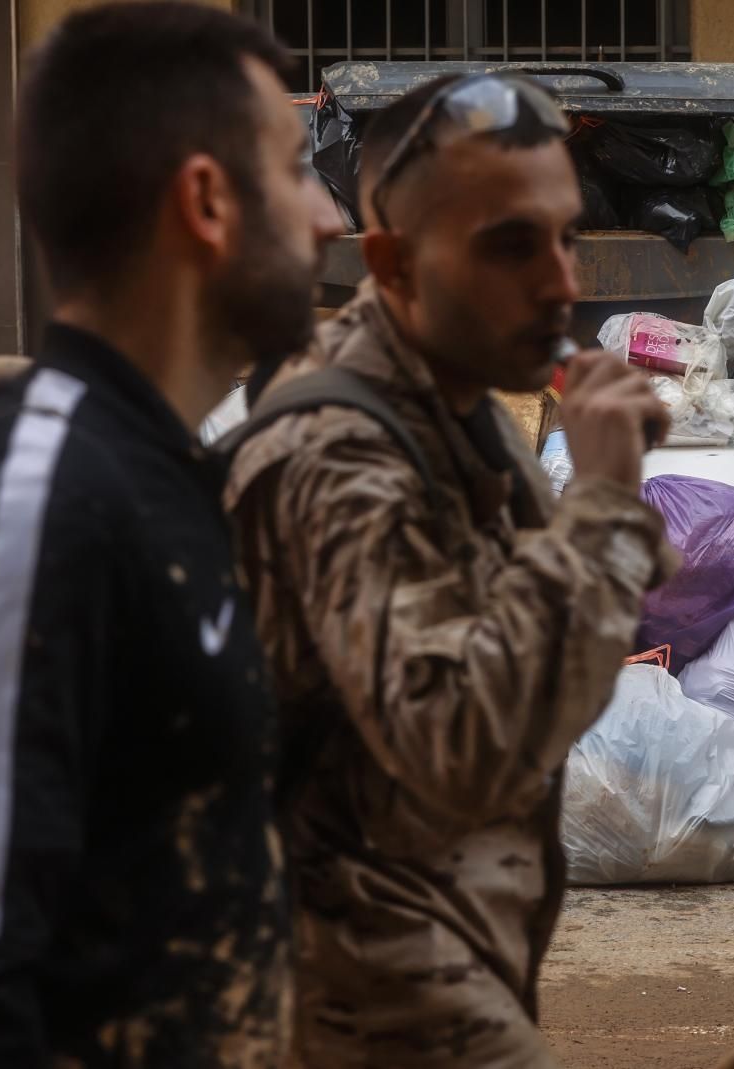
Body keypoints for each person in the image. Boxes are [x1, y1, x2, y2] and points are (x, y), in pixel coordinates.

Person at [0, 4, 342, 1066]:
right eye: (299, 171)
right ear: (206, 201)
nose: (331, 218)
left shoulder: (170, 478)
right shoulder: (33, 507)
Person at [225, 74, 676, 1067]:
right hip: (363, 995)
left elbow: (521, 642)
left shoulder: (458, 400)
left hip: (448, 949)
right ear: (392, 262)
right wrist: (600, 504)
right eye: (509, 245)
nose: (560, 282)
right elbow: (462, 740)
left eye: (566, 237)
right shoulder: (337, 453)